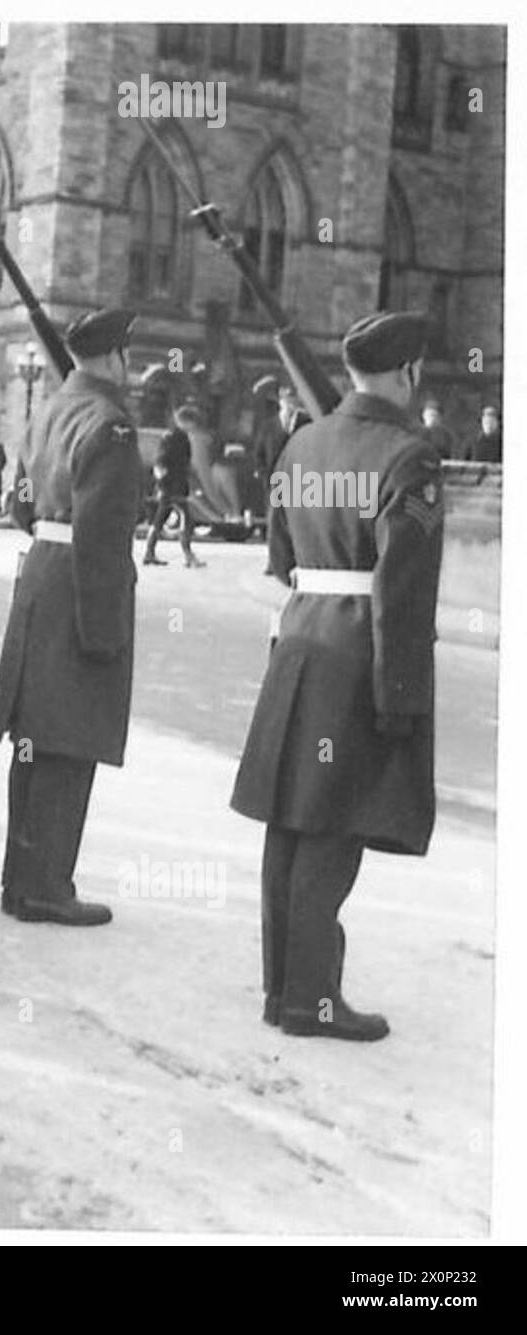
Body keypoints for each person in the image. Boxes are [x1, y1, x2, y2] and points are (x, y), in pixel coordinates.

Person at [231, 311, 443, 1042]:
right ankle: (311, 1000)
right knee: (331, 827)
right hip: (360, 651)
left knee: (290, 820)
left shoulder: (300, 444)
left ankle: (282, 987)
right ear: (408, 372)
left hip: (300, 639)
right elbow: (404, 590)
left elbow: (280, 559)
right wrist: (403, 697)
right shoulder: (411, 456)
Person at [0, 308, 141, 925]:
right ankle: (47, 886)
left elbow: (20, 504)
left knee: (33, 743)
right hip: (82, 583)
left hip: (40, 578)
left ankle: (19, 882)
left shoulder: (48, 410)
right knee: (68, 744)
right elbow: (105, 535)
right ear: (115, 357)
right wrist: (104, 633)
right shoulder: (113, 425)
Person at [142, 406, 204, 568]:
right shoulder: (175, 438)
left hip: (174, 486)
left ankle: (149, 553)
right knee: (186, 520)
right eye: (192, 423)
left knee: (159, 520)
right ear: (185, 422)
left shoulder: (178, 436)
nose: (193, 427)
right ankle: (188, 555)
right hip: (173, 487)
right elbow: (162, 461)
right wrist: (163, 484)